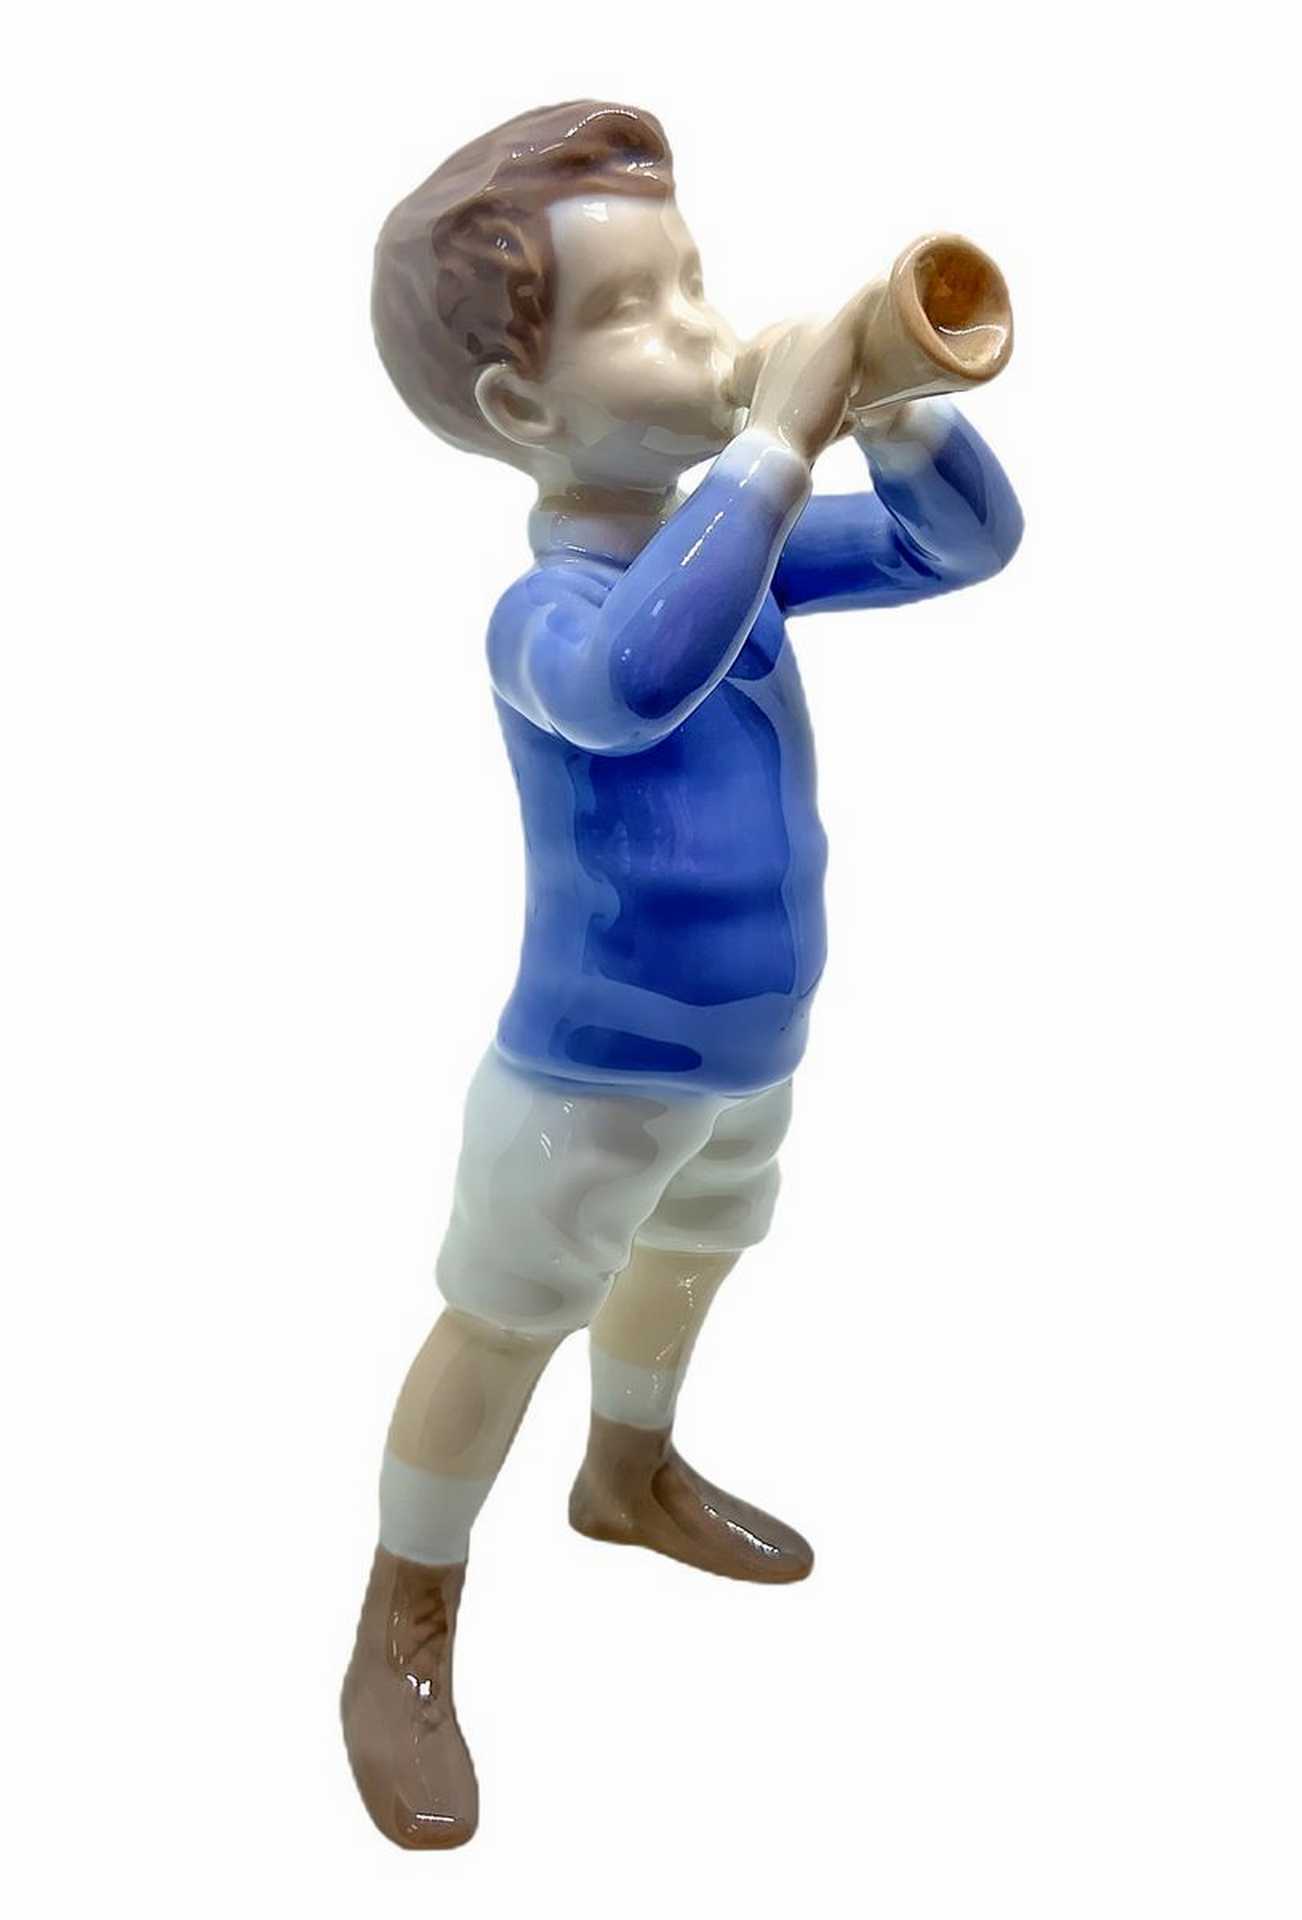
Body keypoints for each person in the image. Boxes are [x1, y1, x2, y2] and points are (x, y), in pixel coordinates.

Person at [343, 99, 1023, 1849]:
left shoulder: (744, 555)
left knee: (692, 1255)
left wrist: (894, 403)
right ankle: (403, 1619)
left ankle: (627, 1471)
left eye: (696, 280)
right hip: (586, 1072)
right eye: (638, 310)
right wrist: (778, 441)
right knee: (504, 1320)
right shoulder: (550, 615)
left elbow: (962, 547)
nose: (709, 331)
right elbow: (638, 680)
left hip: (748, 1044)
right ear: (523, 412)